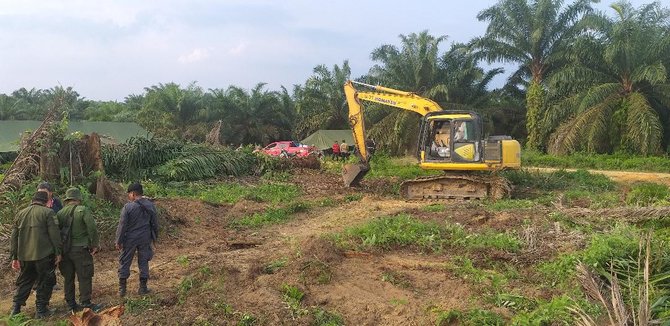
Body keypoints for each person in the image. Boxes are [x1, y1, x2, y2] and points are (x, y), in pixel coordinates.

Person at [9, 191, 62, 318]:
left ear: (33, 200)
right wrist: (58, 252)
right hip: (43, 255)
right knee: (45, 281)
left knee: (25, 281)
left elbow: (14, 237)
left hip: (25, 256)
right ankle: (41, 310)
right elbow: (54, 235)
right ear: (46, 201)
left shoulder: (21, 213)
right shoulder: (48, 213)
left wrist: (14, 257)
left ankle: (15, 310)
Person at [57, 187, 101, 313]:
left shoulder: (60, 213)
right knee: (84, 276)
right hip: (81, 249)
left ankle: (71, 304)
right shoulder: (83, 210)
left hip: (65, 251)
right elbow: (91, 228)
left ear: (67, 199)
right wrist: (94, 244)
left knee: (68, 278)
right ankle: (85, 302)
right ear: (78, 199)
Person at [115, 182, 158, 297]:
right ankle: (143, 288)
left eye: (129, 194)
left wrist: (118, 241)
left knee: (125, 261)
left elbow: (122, 225)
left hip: (130, 239)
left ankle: (122, 289)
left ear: (133, 194)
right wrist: (154, 237)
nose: (129, 196)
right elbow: (154, 223)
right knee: (144, 261)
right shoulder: (150, 205)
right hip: (145, 237)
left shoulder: (128, 207)